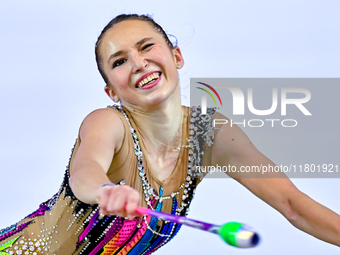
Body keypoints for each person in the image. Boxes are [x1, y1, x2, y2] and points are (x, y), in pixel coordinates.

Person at [0, 14, 339, 255]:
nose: (139, 63)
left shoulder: (212, 135)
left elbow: (294, 205)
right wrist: (104, 190)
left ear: (176, 57)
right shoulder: (108, 123)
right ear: (111, 92)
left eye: (147, 46)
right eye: (119, 62)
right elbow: (84, 171)